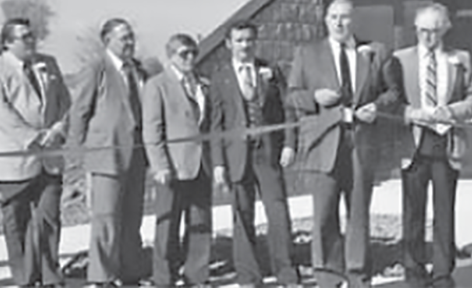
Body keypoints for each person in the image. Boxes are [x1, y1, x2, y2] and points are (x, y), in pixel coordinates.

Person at [287, 0, 403, 288]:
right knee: (324, 212)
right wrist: (314, 98)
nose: (339, 22)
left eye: (345, 16)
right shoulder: (308, 53)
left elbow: (393, 93)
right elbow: (291, 95)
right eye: (334, 16)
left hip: (361, 141)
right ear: (325, 20)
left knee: (359, 212)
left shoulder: (374, 52)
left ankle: (357, 275)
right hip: (324, 142)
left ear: (354, 19)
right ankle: (327, 276)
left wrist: (377, 106)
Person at [0, 18, 72, 287]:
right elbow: (0, 111)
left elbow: (66, 101)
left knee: (49, 219)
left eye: (32, 35)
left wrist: (58, 129)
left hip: (50, 158)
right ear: (8, 43)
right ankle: (25, 279)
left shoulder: (50, 63)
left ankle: (51, 277)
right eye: (24, 37)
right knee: (17, 224)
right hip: (15, 160)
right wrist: (31, 138)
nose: (32, 40)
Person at [394, 3, 472, 288]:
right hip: (413, 144)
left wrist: (454, 111)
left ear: (444, 29)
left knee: (444, 212)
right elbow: (391, 100)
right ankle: (414, 272)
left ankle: (443, 274)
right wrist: (409, 112)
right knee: (412, 213)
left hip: (446, 143)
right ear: (415, 30)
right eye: (422, 31)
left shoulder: (460, 59)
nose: (428, 37)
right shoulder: (400, 59)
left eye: (433, 31)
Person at [209, 20, 300, 288]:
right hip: (237, 156)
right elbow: (215, 124)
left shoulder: (270, 70)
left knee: (279, 212)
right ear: (229, 44)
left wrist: (289, 144)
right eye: (239, 40)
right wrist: (217, 164)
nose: (244, 45)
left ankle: (286, 273)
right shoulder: (220, 77)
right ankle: (249, 276)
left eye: (249, 40)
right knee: (242, 215)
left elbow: (289, 109)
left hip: (269, 153)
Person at [68, 18, 148, 286]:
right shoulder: (96, 68)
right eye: (124, 37)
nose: (130, 42)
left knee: (132, 216)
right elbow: (80, 110)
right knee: (106, 218)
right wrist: (78, 152)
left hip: (137, 154)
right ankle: (102, 277)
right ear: (108, 40)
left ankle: (130, 272)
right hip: (106, 156)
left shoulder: (138, 70)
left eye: (131, 36)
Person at [143, 34, 213, 287]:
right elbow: (152, 129)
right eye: (184, 53)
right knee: (168, 225)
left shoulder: (204, 83)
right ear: (170, 56)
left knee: (201, 223)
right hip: (172, 167)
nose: (190, 58)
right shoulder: (157, 85)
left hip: (201, 164)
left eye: (193, 52)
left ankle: (197, 275)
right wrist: (159, 165)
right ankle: (164, 278)